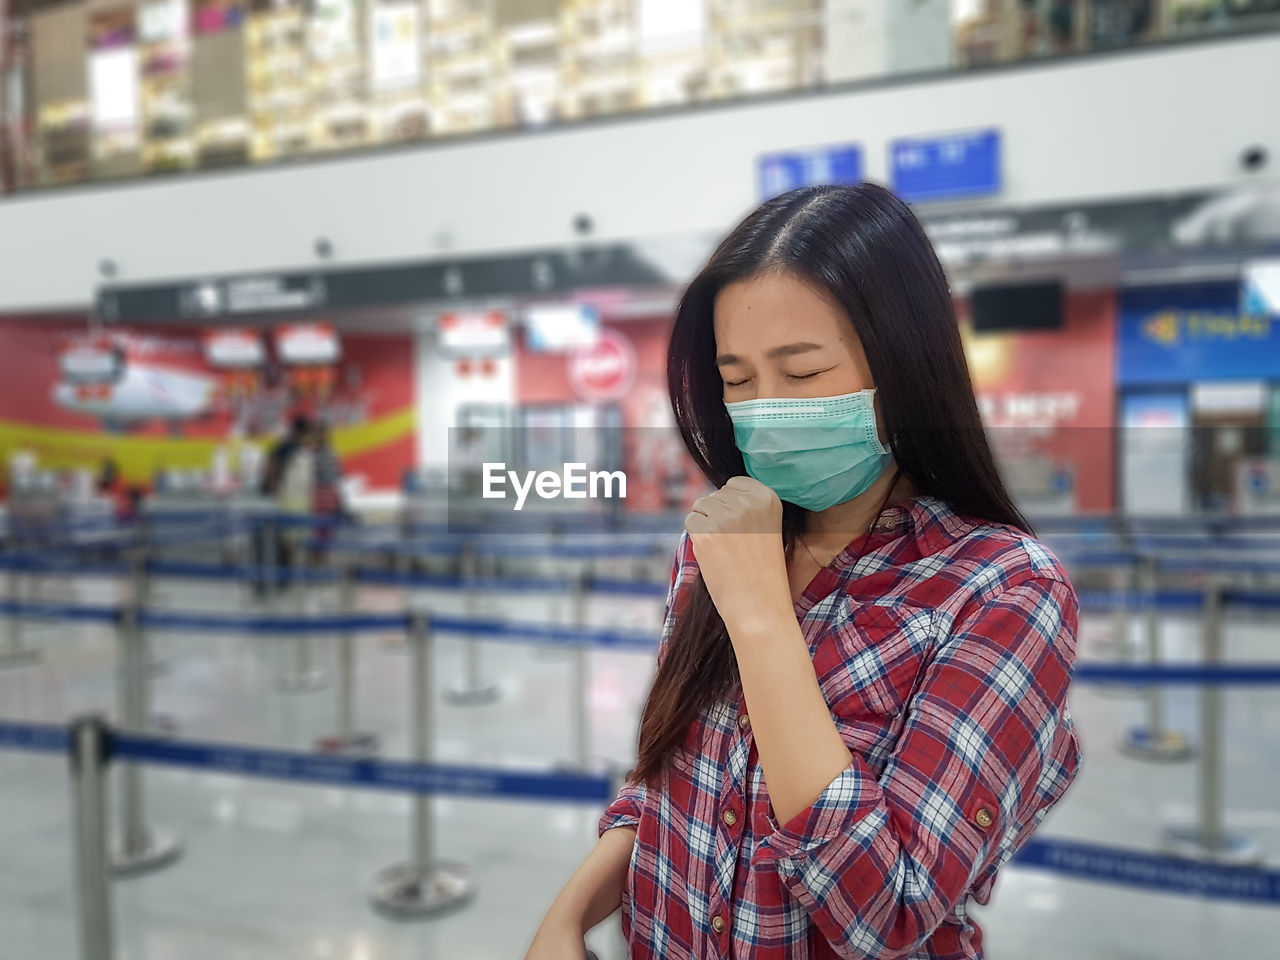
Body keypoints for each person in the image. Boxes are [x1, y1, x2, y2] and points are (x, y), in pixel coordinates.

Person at [525, 184, 1081, 960]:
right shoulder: (721, 539)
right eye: (740, 380)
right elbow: (669, 778)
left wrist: (762, 625)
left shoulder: (1003, 590)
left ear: (905, 370)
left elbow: (887, 912)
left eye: (805, 371)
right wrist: (566, 916)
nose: (766, 411)